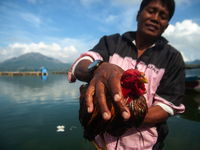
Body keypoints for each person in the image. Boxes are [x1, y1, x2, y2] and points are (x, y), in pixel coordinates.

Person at [67, 0, 185, 149]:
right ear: (138, 15)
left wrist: (120, 116)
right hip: (104, 143)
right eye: (151, 11)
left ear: (166, 25)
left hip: (146, 145)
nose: (155, 18)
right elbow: (81, 63)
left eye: (162, 15)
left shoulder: (172, 58)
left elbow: (166, 108)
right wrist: (99, 67)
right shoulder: (112, 42)